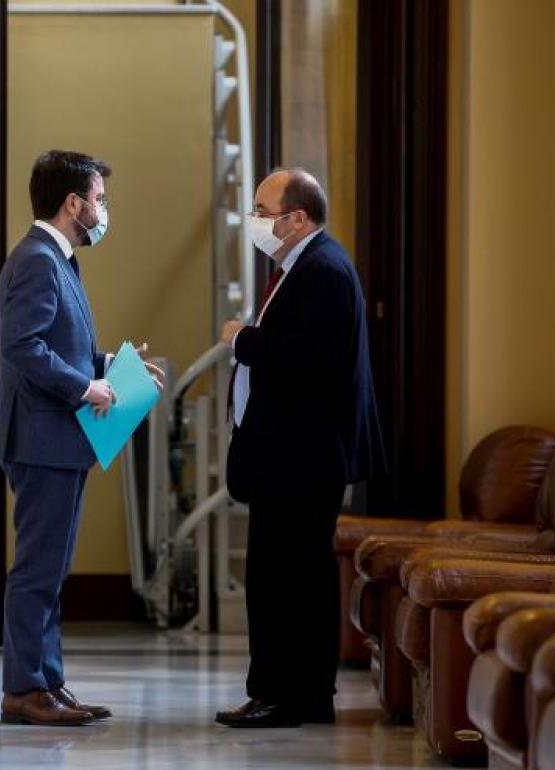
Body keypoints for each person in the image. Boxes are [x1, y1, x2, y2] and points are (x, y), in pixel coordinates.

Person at [0, 149, 163, 727]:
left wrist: (111, 367)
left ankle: (48, 682)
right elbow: (22, 347)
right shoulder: (38, 260)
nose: (104, 211)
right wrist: (87, 387)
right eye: (100, 200)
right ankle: (24, 689)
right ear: (73, 203)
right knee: (38, 569)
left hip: (55, 440)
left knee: (52, 568)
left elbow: (58, 342)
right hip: (40, 439)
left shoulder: (56, 258)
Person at [215, 168, 384, 728]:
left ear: (298, 218)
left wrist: (243, 339)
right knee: (286, 575)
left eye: (263, 212)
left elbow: (308, 359)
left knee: (285, 579)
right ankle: (297, 694)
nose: (255, 221)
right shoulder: (302, 266)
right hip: (289, 454)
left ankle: (284, 696)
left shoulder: (323, 270)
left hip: (302, 457)